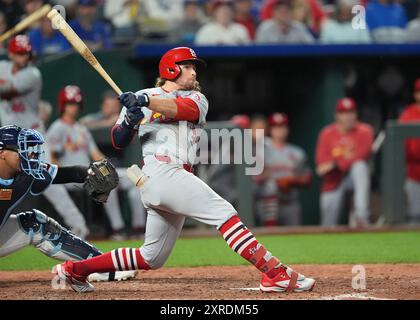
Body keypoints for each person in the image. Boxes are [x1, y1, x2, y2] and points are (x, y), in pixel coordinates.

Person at [53, 46, 315, 293]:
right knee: (224, 214)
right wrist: (130, 122)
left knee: (151, 257)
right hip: (159, 173)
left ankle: (76, 270)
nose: (194, 72)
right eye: (188, 66)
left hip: (172, 177)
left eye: (193, 67)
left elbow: (180, 109)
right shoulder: (140, 99)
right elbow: (117, 141)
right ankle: (275, 274)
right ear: (171, 69)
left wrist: (144, 101)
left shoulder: (196, 99)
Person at [0, 125, 137, 283]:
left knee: (35, 223)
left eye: (29, 149)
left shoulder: (26, 173)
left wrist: (89, 172)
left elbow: (64, 174)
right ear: (2, 152)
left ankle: (102, 267)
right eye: (21, 149)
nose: (29, 154)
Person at [0, 35, 90, 238]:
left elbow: (6, 90)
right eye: (19, 53)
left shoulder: (33, 74)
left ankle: (79, 226)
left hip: (31, 139)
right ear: (12, 53)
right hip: (9, 143)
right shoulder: (3, 67)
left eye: (26, 54)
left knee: (47, 180)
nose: (23, 58)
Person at [47, 85, 146, 239]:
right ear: (63, 106)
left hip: (89, 172)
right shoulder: (57, 128)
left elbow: (96, 155)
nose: (73, 108)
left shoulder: (81, 129)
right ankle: (117, 228)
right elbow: (52, 159)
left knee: (136, 178)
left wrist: (110, 167)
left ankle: (138, 228)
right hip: (71, 176)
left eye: (75, 104)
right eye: (69, 104)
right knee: (105, 181)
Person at [315, 98, 374, 227]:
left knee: (360, 167)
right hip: (333, 180)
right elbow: (321, 167)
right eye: (344, 113)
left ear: (356, 114)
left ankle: (361, 214)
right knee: (327, 225)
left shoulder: (365, 131)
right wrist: (345, 158)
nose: (348, 117)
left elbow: (361, 156)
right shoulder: (327, 133)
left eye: (351, 112)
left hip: (353, 178)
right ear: (337, 115)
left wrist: (336, 161)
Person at [256, 113, 311, 226]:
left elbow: (307, 178)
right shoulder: (261, 149)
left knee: (294, 237)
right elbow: (253, 178)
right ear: (270, 129)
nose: (280, 130)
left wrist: (292, 181)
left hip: (289, 202)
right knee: (270, 185)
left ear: (287, 129)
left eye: (282, 127)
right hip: (266, 202)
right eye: (276, 127)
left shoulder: (297, 152)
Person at [398, 78, 420, 224]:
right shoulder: (408, 114)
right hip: (414, 171)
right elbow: (400, 146)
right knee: (414, 217)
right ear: (416, 94)